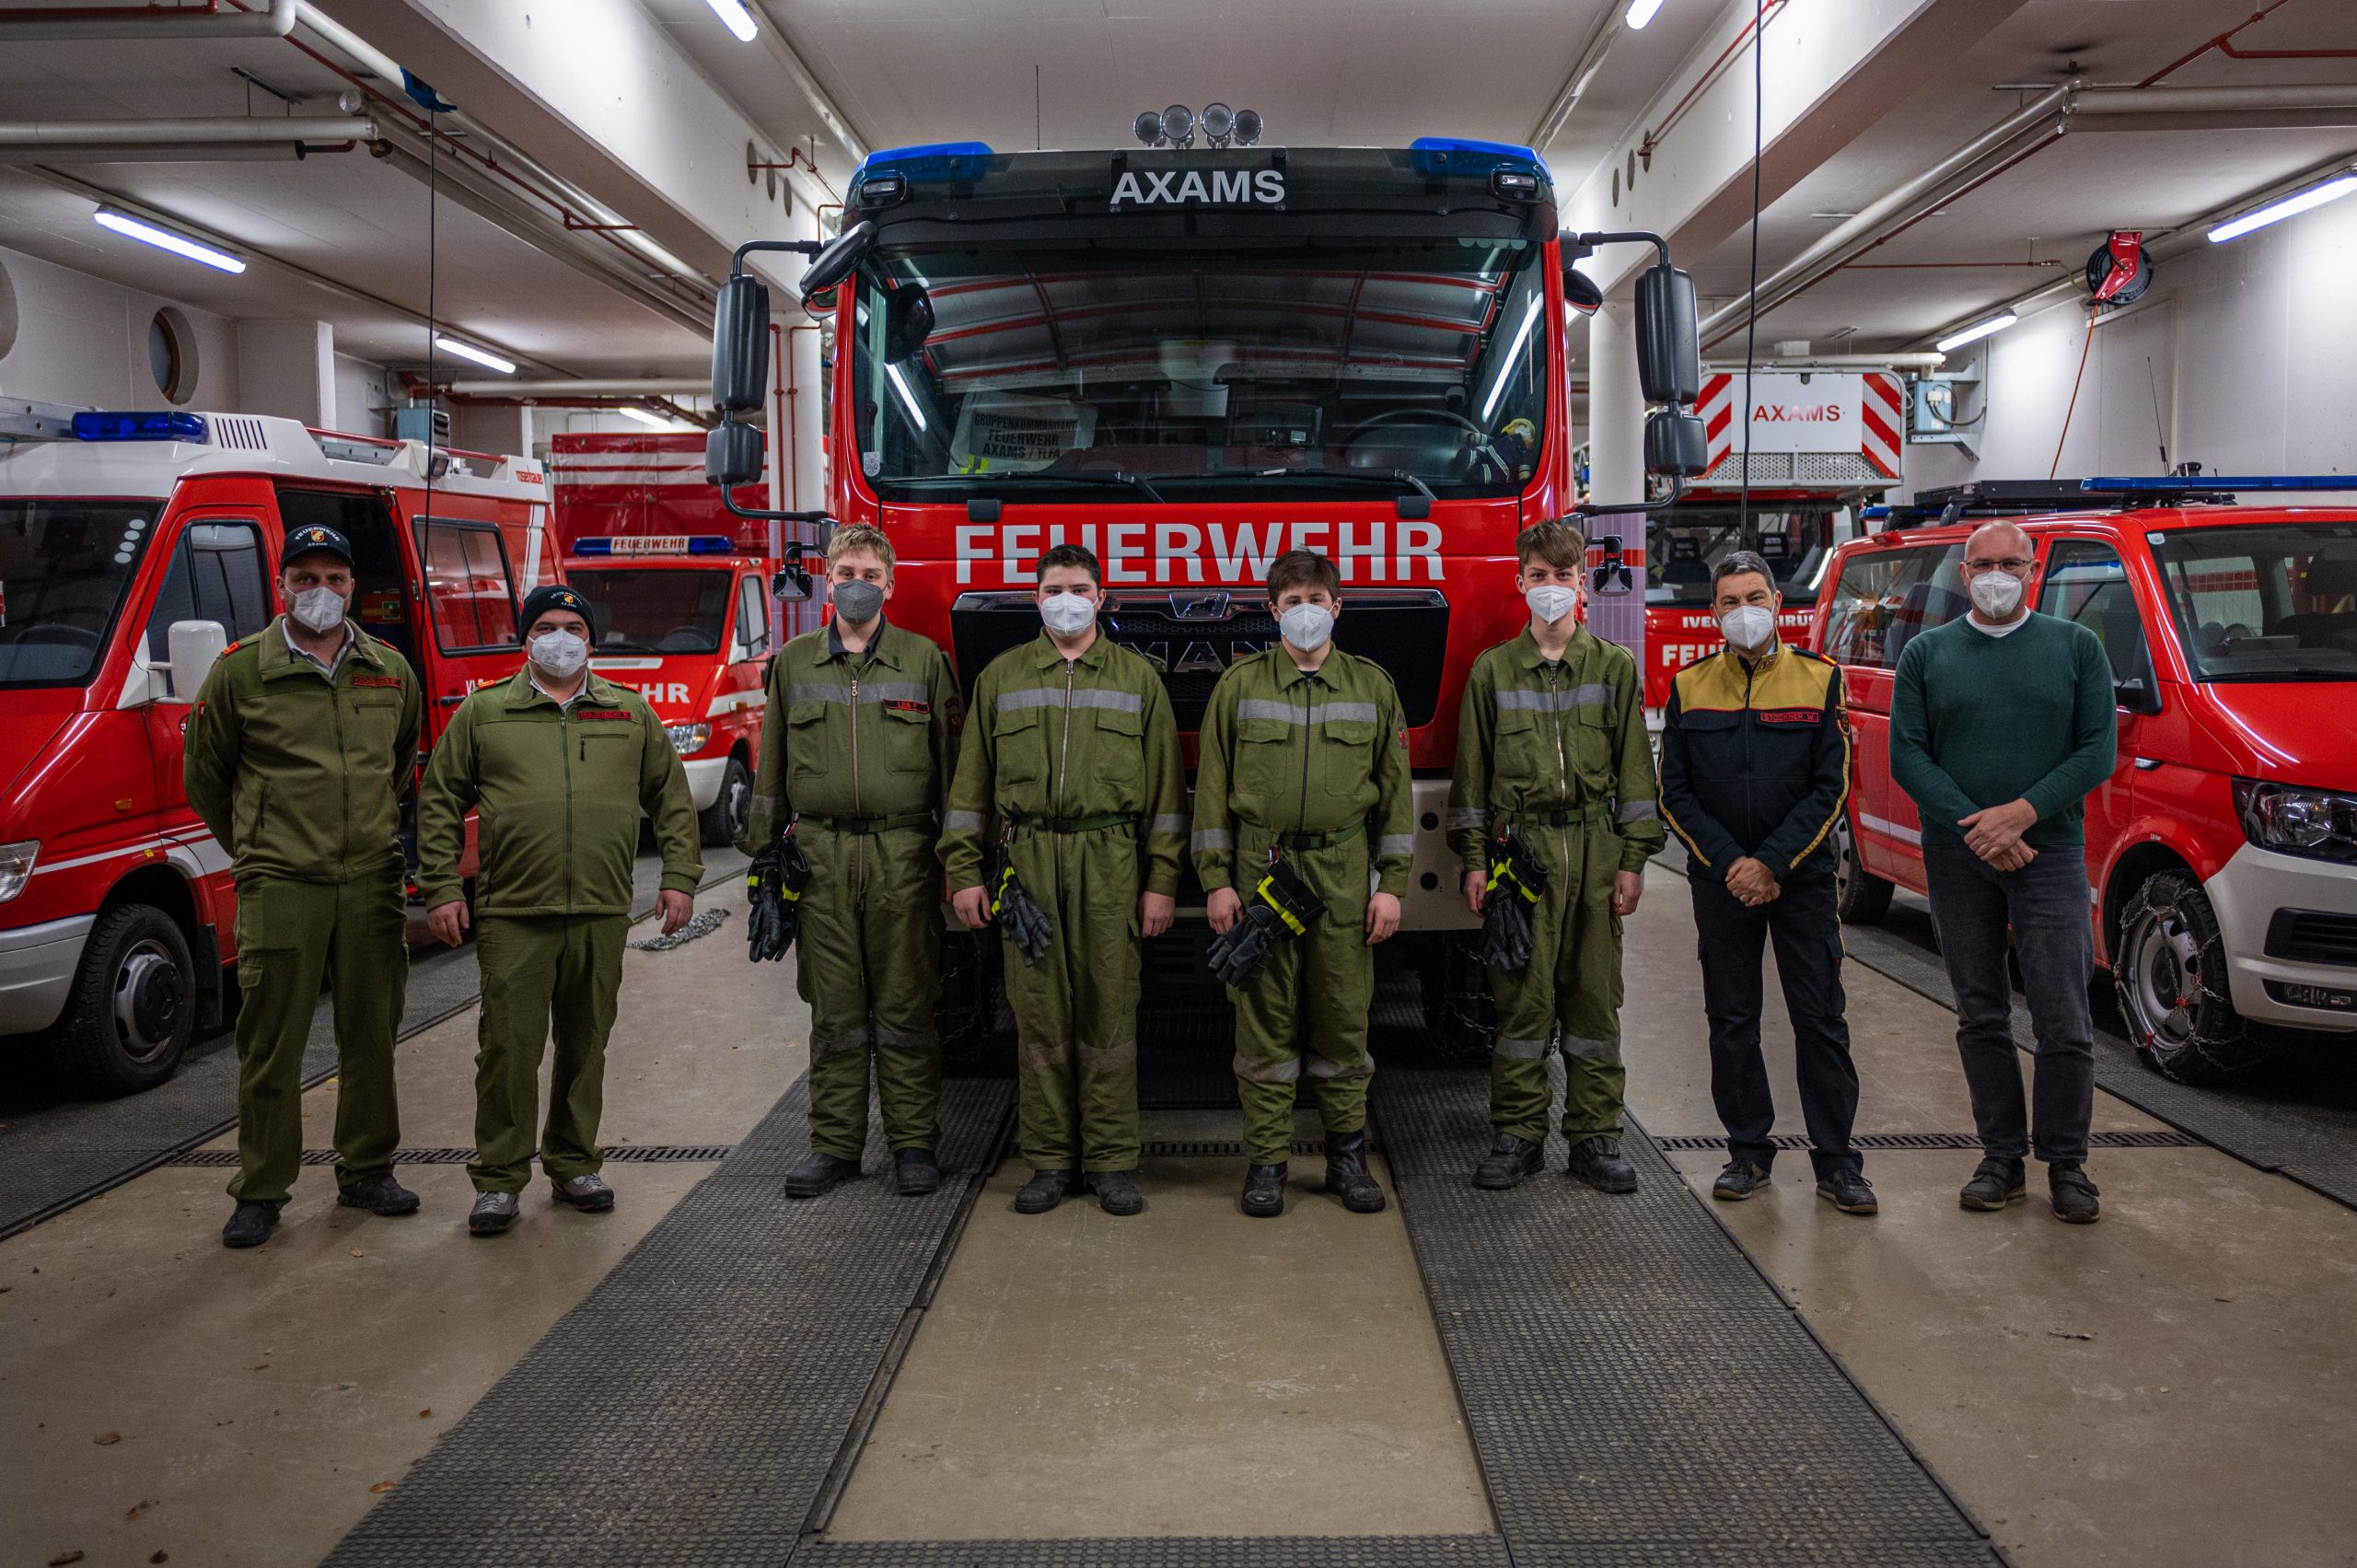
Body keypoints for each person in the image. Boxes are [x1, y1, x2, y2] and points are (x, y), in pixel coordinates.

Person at [417, 584, 701, 1237]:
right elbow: (438, 801)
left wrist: (681, 877)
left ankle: (574, 1163)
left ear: (591, 642)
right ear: (527, 640)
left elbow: (672, 798)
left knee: (585, 1043)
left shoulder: (630, 714)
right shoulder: (485, 713)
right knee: (508, 1051)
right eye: (547, 625)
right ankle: (498, 1177)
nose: (561, 636)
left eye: (573, 625)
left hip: (600, 908)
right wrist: (440, 887)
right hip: (515, 911)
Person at [185, 525, 424, 1249]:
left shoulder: (388, 670)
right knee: (270, 1042)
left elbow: (403, 765)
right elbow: (206, 779)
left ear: (354, 587)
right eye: (305, 577)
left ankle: (367, 1168)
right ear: (281, 585)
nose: (320, 591)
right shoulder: (238, 673)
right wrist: (259, 850)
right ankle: (260, 1187)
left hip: (371, 883)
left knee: (372, 1034)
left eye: (335, 578)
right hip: (282, 884)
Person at [940, 544, 1185, 1217]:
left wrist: (1161, 880)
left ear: (1102, 597)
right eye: (1054, 588)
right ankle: (1049, 1160)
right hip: (1029, 863)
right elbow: (971, 788)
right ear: (1035, 598)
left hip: (1110, 858)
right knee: (1039, 1013)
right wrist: (964, 869)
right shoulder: (1002, 677)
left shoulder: (1139, 679)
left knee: (1110, 1012)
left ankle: (1109, 1161)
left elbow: (1167, 795)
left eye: (1079, 587)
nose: (1066, 599)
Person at [1891, 520, 2116, 1224]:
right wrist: (1979, 827)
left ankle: (2068, 1163)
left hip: (2047, 855)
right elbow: (1910, 757)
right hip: (1958, 859)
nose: (1995, 574)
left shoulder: (2077, 648)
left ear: (2033, 570)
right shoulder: (1926, 655)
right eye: (1982, 564)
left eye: (2009, 563)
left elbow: (2095, 750)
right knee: (1980, 1012)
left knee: (2064, 1015)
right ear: (1963, 573)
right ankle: (2001, 1157)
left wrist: (2020, 813)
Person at [1190, 550, 1413, 1218]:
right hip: (1262, 871)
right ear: (1274, 610)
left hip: (1345, 872)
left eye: (1318, 599)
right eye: (1293, 601)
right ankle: (1268, 1162)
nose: (1306, 611)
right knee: (1263, 1026)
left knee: (1344, 1020)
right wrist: (1215, 882)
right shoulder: (1238, 686)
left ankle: (1348, 1156)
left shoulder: (1373, 687)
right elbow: (1211, 794)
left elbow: (1396, 802)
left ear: (1338, 607)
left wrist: (1392, 882)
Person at [746, 524, 964, 1201]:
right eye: (845, 572)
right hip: (819, 854)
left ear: (889, 584)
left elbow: (955, 773)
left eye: (870, 573)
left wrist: (960, 861)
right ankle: (835, 1146)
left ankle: (912, 1145)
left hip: (905, 852)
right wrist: (762, 866)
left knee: (906, 1007)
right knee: (835, 1013)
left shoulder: (925, 661)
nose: (857, 584)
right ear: (827, 580)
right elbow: (771, 765)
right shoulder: (794, 663)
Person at [1447, 519, 1664, 1193]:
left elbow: (1636, 774)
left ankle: (1596, 1139)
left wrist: (1633, 861)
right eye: (1538, 577)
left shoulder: (1614, 668)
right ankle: (1518, 1136)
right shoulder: (1492, 671)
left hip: (1597, 852)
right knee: (1521, 1005)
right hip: (1522, 855)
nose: (1550, 589)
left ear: (1582, 587)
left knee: (1595, 1004)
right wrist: (1476, 859)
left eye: (1562, 577)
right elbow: (1472, 778)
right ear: (1520, 583)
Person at [1658, 551, 1874, 1215]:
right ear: (1714, 611)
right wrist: (1732, 863)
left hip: (1801, 880)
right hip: (1722, 882)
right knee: (1732, 1020)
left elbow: (1828, 787)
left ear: (1779, 604)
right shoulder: (1690, 686)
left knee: (1820, 1020)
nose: (1743, 611)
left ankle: (1838, 1163)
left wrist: (1772, 863)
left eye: (1755, 597)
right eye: (1730, 601)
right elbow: (1675, 791)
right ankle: (1747, 1152)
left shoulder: (1820, 680)